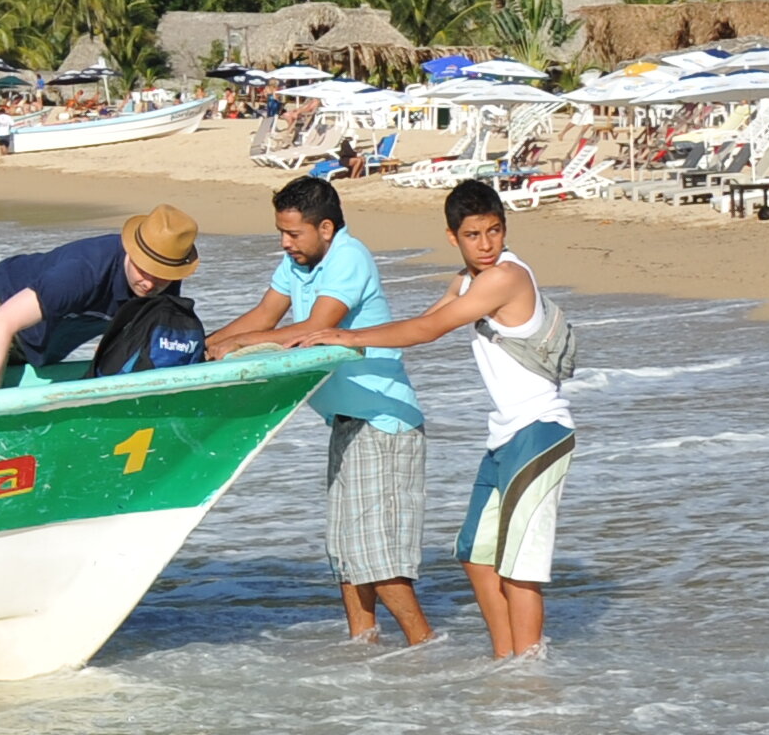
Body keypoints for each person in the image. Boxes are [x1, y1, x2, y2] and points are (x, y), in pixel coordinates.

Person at [320, 181, 568, 661]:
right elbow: (420, 321)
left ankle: (532, 674)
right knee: (476, 557)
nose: (487, 244)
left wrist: (345, 336)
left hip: (541, 431)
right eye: (473, 234)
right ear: (454, 237)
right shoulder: (468, 279)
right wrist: (335, 341)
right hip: (505, 436)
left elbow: (427, 330)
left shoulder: (506, 277)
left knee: (519, 568)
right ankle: (506, 663)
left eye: (495, 231)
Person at [207, 175, 434, 646]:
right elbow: (263, 318)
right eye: (281, 232)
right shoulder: (299, 263)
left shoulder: (348, 256)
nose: (284, 243)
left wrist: (233, 347)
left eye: (293, 234)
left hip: (383, 421)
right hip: (346, 422)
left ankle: (425, 649)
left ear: (326, 228)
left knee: (380, 559)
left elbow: (312, 328)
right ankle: (363, 649)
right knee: (347, 555)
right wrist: (202, 346)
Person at [0, 207, 197, 394]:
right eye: (145, 270)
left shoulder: (166, 276)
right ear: (132, 252)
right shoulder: (83, 272)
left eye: (162, 276)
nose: (151, 284)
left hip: (51, 335)